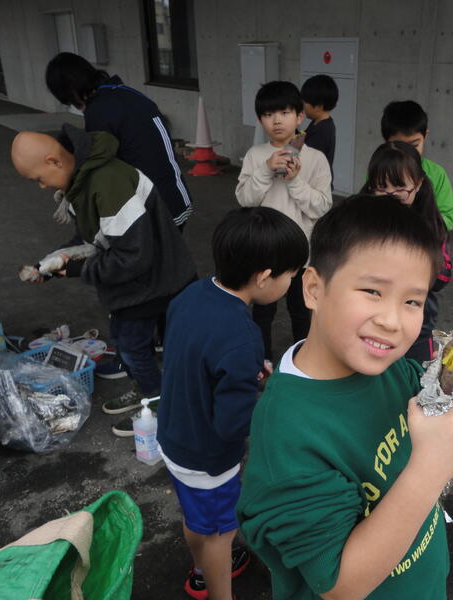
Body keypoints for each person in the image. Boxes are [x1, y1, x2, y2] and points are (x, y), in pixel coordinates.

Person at [237, 194, 453, 600]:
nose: (392, 321)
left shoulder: (389, 368)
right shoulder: (287, 434)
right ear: (313, 289)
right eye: (373, 291)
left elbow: (426, 406)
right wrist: (432, 468)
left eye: (412, 301)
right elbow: (340, 584)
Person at [158, 206, 309, 600]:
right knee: (220, 534)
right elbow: (232, 425)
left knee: (197, 517)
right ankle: (217, 590)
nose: (291, 283)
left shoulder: (191, 295)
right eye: (291, 275)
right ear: (263, 277)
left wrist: (244, 375)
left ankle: (200, 570)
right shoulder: (242, 336)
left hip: (173, 435)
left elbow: (197, 357)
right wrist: (268, 403)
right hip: (208, 458)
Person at [11, 124, 196, 437]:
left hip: (154, 282)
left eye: (38, 179)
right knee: (124, 341)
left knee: (134, 347)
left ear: (54, 161)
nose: (41, 187)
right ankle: (147, 389)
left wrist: (75, 269)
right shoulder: (83, 179)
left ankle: (158, 403)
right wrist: (55, 262)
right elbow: (92, 237)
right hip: (135, 282)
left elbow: (133, 256)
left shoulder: (109, 183)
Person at [236, 80, 332, 360]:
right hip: (264, 249)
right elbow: (245, 200)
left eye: (284, 113)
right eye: (268, 115)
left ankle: (302, 361)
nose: (276, 121)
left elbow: (321, 207)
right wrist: (266, 170)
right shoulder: (255, 155)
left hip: (302, 252)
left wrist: (294, 181)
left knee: (301, 310)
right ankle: (261, 360)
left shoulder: (316, 159)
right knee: (262, 311)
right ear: (260, 120)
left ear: (300, 116)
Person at [45, 52, 193, 229]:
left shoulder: (99, 111)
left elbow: (98, 165)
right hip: (177, 196)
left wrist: (70, 193)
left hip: (156, 208)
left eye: (71, 101)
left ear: (72, 90)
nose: (77, 107)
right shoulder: (125, 93)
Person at [360, 141, 451, 362]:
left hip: (416, 328)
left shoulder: (431, 226)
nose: (390, 196)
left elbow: (443, 276)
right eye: (382, 188)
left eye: (400, 189)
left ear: (418, 184)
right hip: (367, 319)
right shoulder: (360, 220)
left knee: (414, 375)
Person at [381, 100, 453, 230]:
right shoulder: (380, 170)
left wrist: (421, 227)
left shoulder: (436, 174)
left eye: (415, 145)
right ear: (386, 142)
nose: (407, 153)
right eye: (399, 146)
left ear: (425, 135)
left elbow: (447, 217)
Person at [301, 74, 338, 180]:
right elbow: (303, 137)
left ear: (318, 106)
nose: (302, 105)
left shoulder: (322, 130)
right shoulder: (317, 122)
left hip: (316, 184)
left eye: (305, 102)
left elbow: (308, 161)